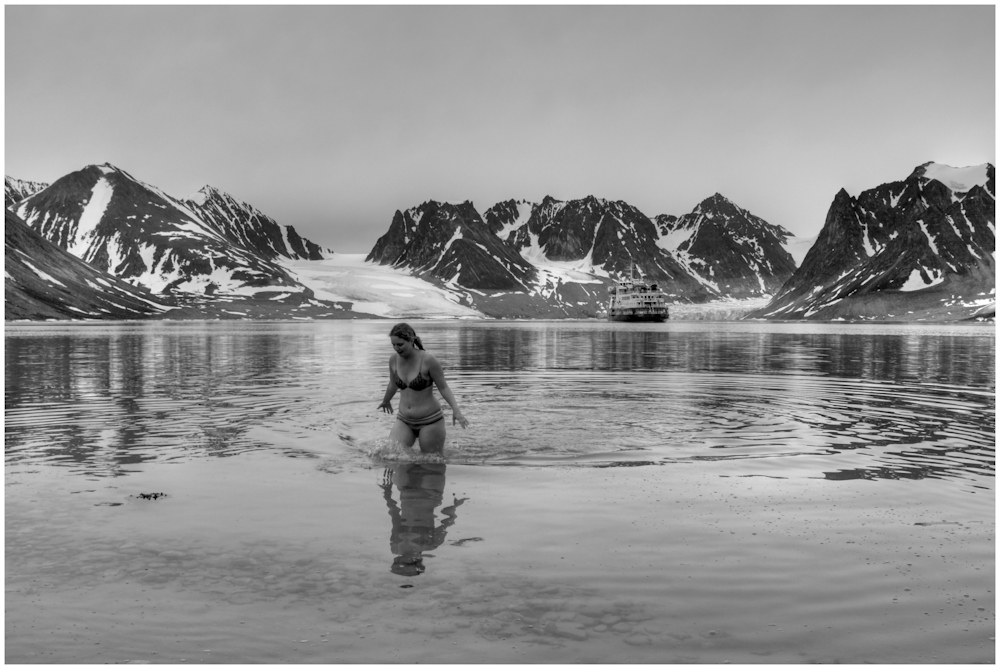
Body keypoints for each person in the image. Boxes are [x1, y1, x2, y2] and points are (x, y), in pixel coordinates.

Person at [377, 323, 469, 453]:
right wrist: (386, 400)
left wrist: (456, 410)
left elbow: (444, 388)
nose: (396, 348)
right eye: (393, 345)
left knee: (431, 463)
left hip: (430, 421)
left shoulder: (428, 360)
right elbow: (393, 384)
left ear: (411, 340)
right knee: (391, 454)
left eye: (400, 344)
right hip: (404, 420)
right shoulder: (393, 360)